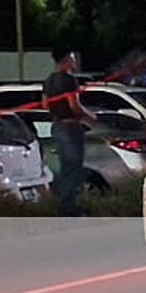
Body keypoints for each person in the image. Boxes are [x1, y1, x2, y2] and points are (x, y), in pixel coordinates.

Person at [42, 48, 98, 217]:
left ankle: (64, 204)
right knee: (73, 168)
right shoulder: (69, 80)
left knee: (65, 167)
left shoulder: (49, 81)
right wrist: (90, 117)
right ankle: (68, 208)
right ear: (66, 60)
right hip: (70, 128)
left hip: (57, 126)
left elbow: (45, 105)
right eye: (73, 58)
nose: (75, 62)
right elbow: (74, 105)